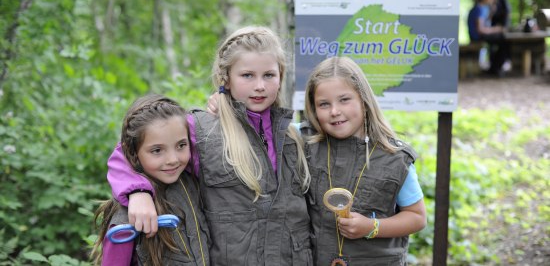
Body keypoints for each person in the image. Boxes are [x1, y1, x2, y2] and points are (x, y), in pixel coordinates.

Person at [105, 26, 313, 265]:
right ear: (226, 78)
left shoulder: (295, 137)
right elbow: (129, 151)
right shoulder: (203, 130)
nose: (260, 86)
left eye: (269, 75)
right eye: (247, 75)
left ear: (281, 76)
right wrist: (138, 192)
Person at [302, 57, 426, 265]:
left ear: (364, 100)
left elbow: (417, 217)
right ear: (314, 109)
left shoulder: (394, 157)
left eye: (344, 99)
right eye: (324, 104)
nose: (334, 111)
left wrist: (372, 227)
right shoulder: (304, 144)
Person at [90, 94, 209, 266]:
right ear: (133, 153)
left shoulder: (191, 183)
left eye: (181, 145)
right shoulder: (125, 216)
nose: (173, 159)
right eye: (157, 150)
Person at [467, 0, 511, 75]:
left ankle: (494, 67)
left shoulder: (483, 8)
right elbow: (480, 30)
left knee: (503, 40)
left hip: (481, 35)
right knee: (505, 41)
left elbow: (486, 23)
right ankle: (495, 68)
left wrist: (492, 13)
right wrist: (497, 29)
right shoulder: (478, 9)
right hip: (477, 36)